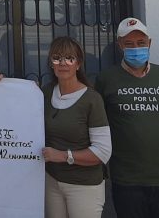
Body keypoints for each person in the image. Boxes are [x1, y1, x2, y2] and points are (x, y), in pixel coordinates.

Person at [94, 17, 159, 218]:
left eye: (140, 42)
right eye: (129, 44)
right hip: (126, 180)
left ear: (150, 42)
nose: (135, 48)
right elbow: (97, 124)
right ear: (120, 45)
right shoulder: (106, 79)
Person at [41, 36, 111, 218]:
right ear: (51, 63)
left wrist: (64, 156)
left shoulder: (92, 100)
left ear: (78, 64)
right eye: (57, 58)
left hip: (84, 186)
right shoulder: (45, 92)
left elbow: (103, 152)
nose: (63, 63)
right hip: (52, 181)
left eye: (69, 58)